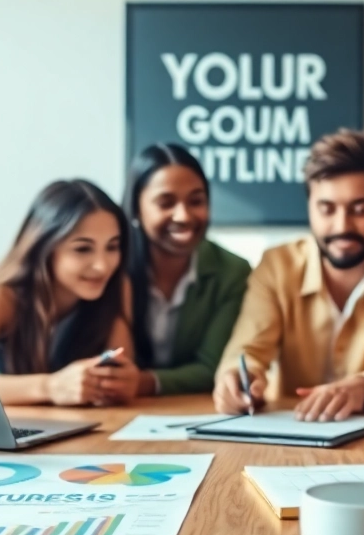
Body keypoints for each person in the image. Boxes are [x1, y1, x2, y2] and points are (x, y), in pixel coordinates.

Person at [214, 129, 364, 422]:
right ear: (309, 208)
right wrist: (237, 379)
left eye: (360, 209)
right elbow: (248, 350)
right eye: (327, 209)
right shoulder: (276, 265)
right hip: (290, 430)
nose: (342, 225)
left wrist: (363, 386)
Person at [95, 143, 251, 398]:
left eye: (196, 201)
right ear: (136, 209)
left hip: (194, 409)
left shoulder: (232, 272)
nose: (183, 216)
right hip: (116, 409)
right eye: (165, 203)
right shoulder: (110, 266)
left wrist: (143, 382)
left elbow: (213, 367)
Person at [0, 178, 134, 406]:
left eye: (112, 247)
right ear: (44, 247)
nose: (102, 266)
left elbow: (121, 369)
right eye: (83, 249)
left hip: (79, 424)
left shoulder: (117, 287)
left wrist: (123, 382)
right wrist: (50, 387)